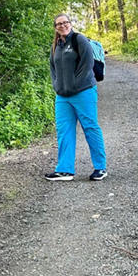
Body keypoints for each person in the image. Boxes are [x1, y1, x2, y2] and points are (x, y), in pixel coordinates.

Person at [45, 13, 107, 181]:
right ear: (55, 28)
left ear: (70, 24)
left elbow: (88, 65)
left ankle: (100, 167)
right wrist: (57, 86)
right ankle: (65, 170)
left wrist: (74, 86)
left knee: (90, 127)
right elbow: (53, 68)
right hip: (63, 97)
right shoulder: (56, 45)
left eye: (65, 22)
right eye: (58, 24)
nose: (62, 26)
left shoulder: (80, 40)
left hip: (84, 92)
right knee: (64, 131)